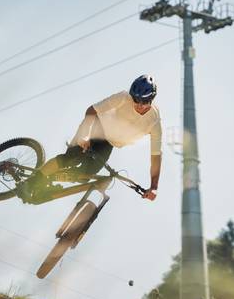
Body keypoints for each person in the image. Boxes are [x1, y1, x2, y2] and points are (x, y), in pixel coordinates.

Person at [18, 75, 162, 203]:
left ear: (151, 99)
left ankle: (46, 181)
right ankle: (29, 183)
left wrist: (154, 188)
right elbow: (92, 110)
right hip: (96, 128)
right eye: (135, 100)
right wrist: (85, 135)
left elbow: (155, 156)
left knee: (85, 176)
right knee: (72, 158)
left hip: (109, 144)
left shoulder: (154, 121)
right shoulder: (123, 97)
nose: (138, 105)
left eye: (143, 102)